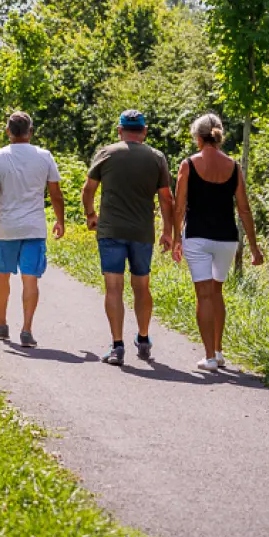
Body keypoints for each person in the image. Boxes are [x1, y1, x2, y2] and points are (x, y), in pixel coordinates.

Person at [172, 113, 264, 372]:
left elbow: (179, 207)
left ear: (198, 138)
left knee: (203, 295)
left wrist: (176, 237)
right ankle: (220, 352)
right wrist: (255, 248)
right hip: (227, 239)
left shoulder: (188, 164)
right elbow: (244, 210)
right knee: (217, 293)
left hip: (198, 237)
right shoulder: (234, 166)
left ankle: (209, 357)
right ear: (218, 137)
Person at [82, 109, 174, 366]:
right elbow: (167, 198)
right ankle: (143, 339)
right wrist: (168, 232)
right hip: (142, 233)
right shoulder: (157, 158)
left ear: (120, 130)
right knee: (141, 286)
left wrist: (91, 214)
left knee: (114, 287)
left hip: (110, 231)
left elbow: (88, 188)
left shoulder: (107, 153)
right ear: (144, 131)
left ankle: (117, 346)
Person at [0, 111, 65, 349]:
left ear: (8, 131)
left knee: (2, 275)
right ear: (30, 131)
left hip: (6, 228)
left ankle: (1, 323)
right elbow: (55, 194)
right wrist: (60, 221)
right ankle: (27, 330)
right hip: (34, 228)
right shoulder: (45, 156)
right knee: (31, 280)